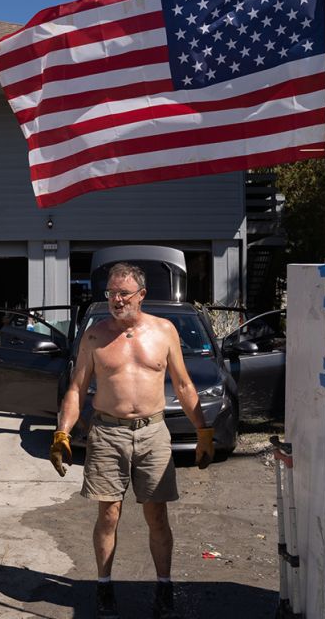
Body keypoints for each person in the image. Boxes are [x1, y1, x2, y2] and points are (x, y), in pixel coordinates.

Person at [49, 263, 214, 619]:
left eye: (123, 293)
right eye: (111, 293)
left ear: (141, 294)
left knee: (157, 514)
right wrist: (62, 432)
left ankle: (164, 587)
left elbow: (184, 386)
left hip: (153, 433)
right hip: (107, 433)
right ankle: (105, 586)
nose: (116, 299)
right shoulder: (94, 335)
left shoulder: (165, 331)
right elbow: (77, 389)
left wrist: (203, 430)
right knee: (108, 513)